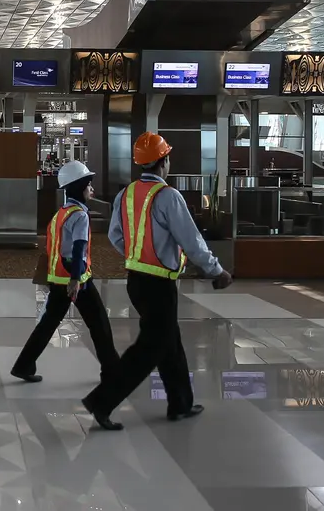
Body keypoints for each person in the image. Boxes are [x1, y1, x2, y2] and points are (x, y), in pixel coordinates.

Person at [81, 132, 233, 431]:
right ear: (164, 161)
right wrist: (216, 270)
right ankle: (102, 401)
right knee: (149, 348)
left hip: (136, 281)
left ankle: (181, 403)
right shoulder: (168, 196)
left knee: (169, 342)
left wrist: (136, 254)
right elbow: (191, 240)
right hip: (159, 284)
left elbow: (115, 235)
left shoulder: (125, 195)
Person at [10, 160, 120, 385]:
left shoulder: (59, 214)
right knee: (99, 323)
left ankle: (23, 364)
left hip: (57, 278)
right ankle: (112, 370)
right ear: (80, 187)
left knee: (48, 324)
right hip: (76, 280)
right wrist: (76, 279)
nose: (92, 189)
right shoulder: (80, 215)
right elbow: (79, 248)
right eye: (89, 185)